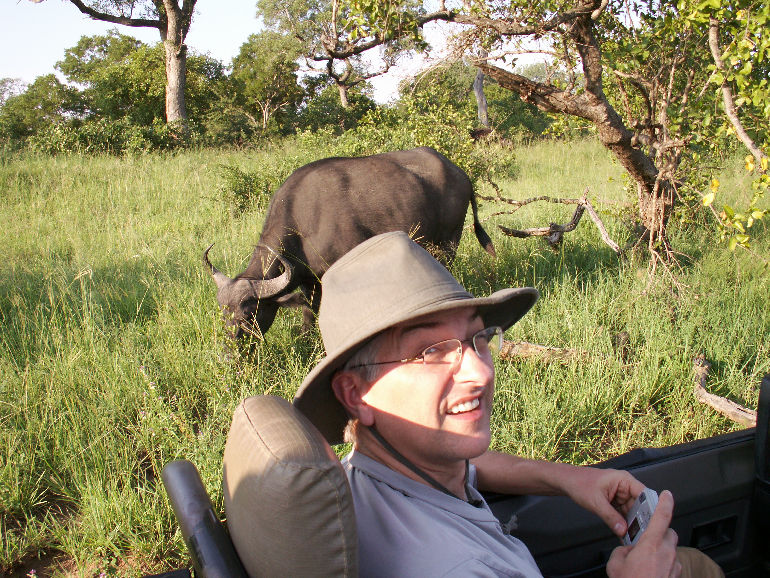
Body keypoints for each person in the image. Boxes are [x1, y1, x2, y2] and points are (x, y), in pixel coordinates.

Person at [293, 231, 722, 578]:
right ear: (356, 394)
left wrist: (572, 478)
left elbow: (470, 467)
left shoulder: (371, 472)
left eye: (478, 338)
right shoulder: (462, 569)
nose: (480, 372)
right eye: (430, 351)